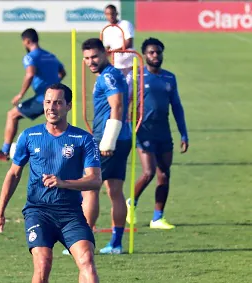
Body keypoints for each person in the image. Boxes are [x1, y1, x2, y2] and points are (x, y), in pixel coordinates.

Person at [0, 83, 113, 283]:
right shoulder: (29, 136)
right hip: (38, 212)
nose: (51, 107)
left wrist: (64, 183)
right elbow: (13, 174)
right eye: (47, 102)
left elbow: (94, 180)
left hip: (70, 212)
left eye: (57, 102)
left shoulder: (82, 139)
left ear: (68, 106)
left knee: (87, 259)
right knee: (43, 265)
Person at [126, 38, 189, 229]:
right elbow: (126, 104)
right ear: (144, 55)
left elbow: (177, 106)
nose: (155, 55)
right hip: (143, 131)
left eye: (158, 52)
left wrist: (184, 134)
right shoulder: (137, 76)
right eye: (151, 52)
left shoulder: (170, 78)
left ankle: (157, 218)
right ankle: (132, 203)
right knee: (148, 172)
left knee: (164, 174)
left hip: (164, 132)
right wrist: (129, 131)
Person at [77, 38, 132, 255]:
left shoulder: (108, 76)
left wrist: (108, 140)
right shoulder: (109, 75)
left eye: (95, 57)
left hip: (108, 140)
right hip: (121, 137)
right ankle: (116, 244)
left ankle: (83, 242)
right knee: (115, 190)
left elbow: (117, 106)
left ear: (105, 54)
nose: (91, 62)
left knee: (89, 189)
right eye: (87, 58)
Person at [0, 28, 66, 162]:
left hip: (43, 98)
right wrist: (55, 85)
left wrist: (20, 94)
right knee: (54, 124)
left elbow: (30, 74)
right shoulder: (50, 55)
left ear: (27, 41)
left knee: (12, 115)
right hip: (57, 97)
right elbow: (62, 72)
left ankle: (4, 151)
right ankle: (63, 153)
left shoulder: (30, 57)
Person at [101, 4, 135, 96]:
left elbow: (129, 42)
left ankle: (130, 109)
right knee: (117, 92)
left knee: (129, 91)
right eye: (108, 14)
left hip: (129, 64)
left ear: (117, 13)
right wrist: (103, 55)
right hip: (115, 65)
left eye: (112, 13)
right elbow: (106, 47)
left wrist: (114, 51)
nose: (110, 16)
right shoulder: (105, 29)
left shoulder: (125, 24)